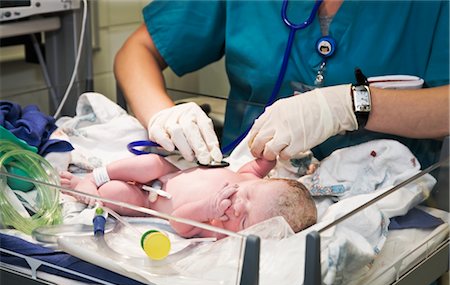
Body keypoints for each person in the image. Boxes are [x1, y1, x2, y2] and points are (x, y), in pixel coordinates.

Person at [114, 0, 449, 169]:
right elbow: (137, 52)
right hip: (243, 197)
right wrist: (163, 116)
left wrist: (350, 106)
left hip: (385, 227)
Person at [60, 155, 317, 239]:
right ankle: (93, 177)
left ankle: (87, 190)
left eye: (244, 220)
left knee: (113, 195)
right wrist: (268, 157)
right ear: (263, 182)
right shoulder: (250, 179)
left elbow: (178, 222)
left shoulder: (217, 227)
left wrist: (207, 209)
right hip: (169, 173)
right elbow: (252, 169)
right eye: (247, 195)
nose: (237, 206)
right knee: (150, 162)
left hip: (149, 200)